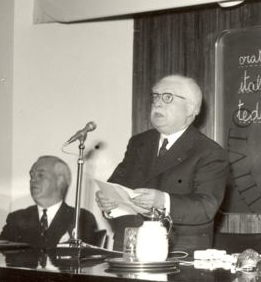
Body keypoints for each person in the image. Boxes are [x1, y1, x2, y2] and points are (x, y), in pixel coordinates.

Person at [96, 74, 228, 250]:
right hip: (128, 249)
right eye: (155, 97)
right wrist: (107, 203)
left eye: (167, 97)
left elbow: (205, 207)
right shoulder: (138, 143)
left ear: (191, 109)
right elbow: (116, 186)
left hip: (177, 254)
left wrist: (163, 201)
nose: (157, 103)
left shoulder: (209, 152)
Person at [0, 155, 98, 249]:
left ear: (60, 180)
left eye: (40, 175)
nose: (33, 180)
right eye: (32, 175)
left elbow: (88, 262)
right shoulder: (16, 219)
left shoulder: (81, 219)